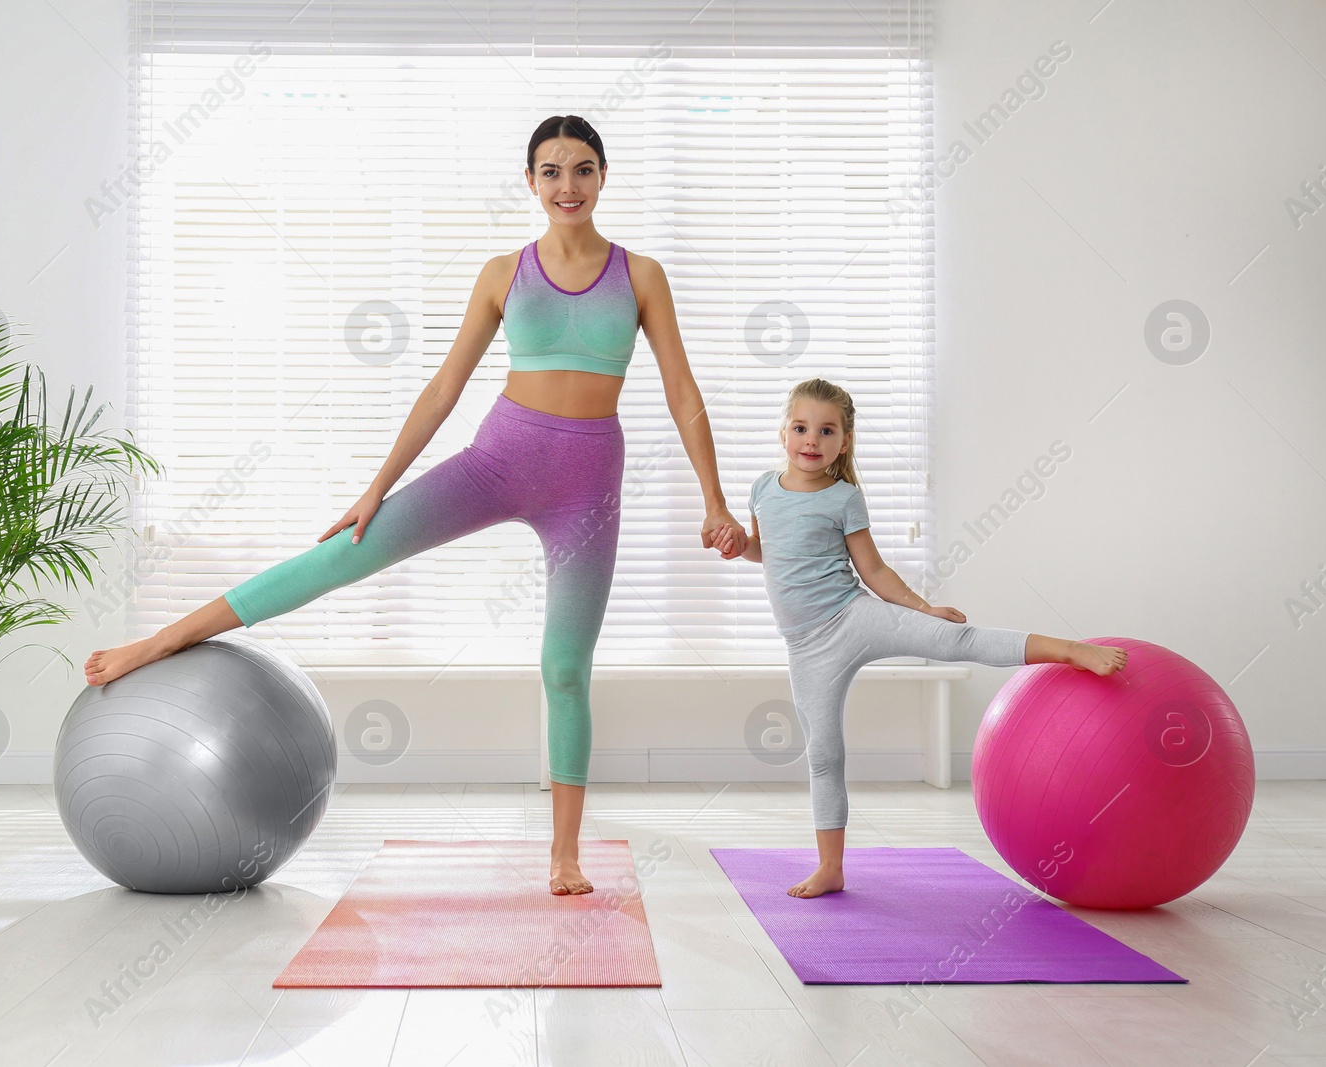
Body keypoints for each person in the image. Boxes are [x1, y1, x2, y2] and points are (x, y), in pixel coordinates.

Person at [84, 114, 750, 896]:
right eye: (550, 171)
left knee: (564, 668)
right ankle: (156, 644)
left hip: (587, 487)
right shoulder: (505, 272)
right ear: (530, 181)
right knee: (343, 555)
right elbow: (444, 387)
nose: (566, 185)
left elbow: (681, 390)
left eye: (581, 169)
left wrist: (714, 498)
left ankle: (564, 854)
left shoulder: (642, 276)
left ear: (604, 176)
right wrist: (376, 487)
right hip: (498, 460)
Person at [709, 377, 1125, 898]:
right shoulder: (762, 489)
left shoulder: (844, 497)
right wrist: (738, 546)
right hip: (804, 647)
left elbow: (874, 571)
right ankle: (831, 868)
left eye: (826, 430)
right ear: (783, 432)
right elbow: (768, 551)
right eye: (801, 427)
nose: (810, 440)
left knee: (956, 640)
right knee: (823, 754)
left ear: (845, 442)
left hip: (852, 617)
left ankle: (1068, 650)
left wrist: (923, 610)